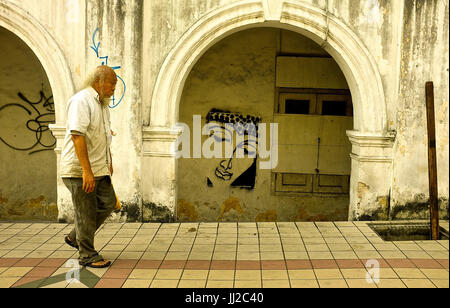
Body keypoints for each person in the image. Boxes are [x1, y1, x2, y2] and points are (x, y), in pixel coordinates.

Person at [60, 65, 117, 268]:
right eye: (112, 83)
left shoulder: (102, 105)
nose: (114, 88)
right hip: (79, 169)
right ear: (99, 81)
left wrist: (109, 161)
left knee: (108, 203)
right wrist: (86, 171)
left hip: (99, 167)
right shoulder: (81, 100)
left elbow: (105, 134)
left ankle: (76, 236)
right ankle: (87, 255)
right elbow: (77, 135)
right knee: (85, 212)